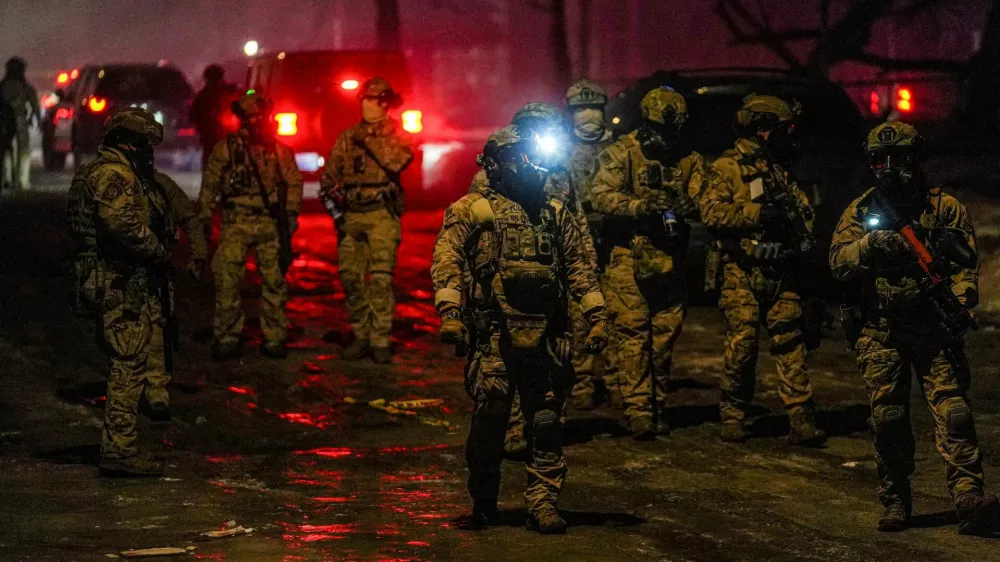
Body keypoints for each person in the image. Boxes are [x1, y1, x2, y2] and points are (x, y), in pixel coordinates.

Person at [431, 125, 608, 533]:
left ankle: (543, 504)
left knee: (545, 421)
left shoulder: (554, 211)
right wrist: (450, 313)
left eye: (531, 157)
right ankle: (484, 502)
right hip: (494, 335)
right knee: (490, 420)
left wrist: (597, 315)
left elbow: (579, 268)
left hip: (546, 336)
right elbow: (447, 259)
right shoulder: (473, 210)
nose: (527, 166)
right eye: (517, 158)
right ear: (494, 164)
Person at [830, 120, 1000, 535]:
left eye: (900, 159)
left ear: (917, 160)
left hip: (932, 329)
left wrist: (959, 300)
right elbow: (837, 262)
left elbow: (964, 268)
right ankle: (895, 501)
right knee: (888, 419)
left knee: (955, 415)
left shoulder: (944, 209)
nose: (891, 169)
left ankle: (968, 500)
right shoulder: (861, 211)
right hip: (881, 332)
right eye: (881, 161)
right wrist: (869, 246)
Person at [66, 108, 201, 476]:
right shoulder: (114, 174)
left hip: (114, 281)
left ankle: (120, 447)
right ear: (128, 142)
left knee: (127, 364)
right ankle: (120, 451)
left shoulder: (101, 171)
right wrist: (159, 254)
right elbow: (123, 227)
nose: (148, 153)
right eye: (143, 144)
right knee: (128, 367)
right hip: (119, 283)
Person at [699, 94, 825, 446]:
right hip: (741, 268)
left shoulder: (778, 170)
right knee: (744, 345)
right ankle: (733, 413)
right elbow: (711, 213)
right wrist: (757, 215)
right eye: (784, 129)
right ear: (763, 130)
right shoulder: (727, 167)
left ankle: (801, 417)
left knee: (790, 340)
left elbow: (803, 213)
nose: (789, 136)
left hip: (780, 268)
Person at [589, 87, 705, 439]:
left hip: (670, 259)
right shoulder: (621, 153)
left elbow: (707, 197)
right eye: (658, 130)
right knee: (633, 334)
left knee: (664, 337)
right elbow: (598, 195)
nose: (665, 139)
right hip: (628, 256)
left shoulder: (689, 159)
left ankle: (656, 402)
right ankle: (639, 409)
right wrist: (639, 207)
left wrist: (691, 205)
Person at [198, 93, 303, 360]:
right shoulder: (227, 149)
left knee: (274, 282)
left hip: (269, 222)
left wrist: (290, 215)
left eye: (260, 115)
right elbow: (210, 184)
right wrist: (204, 216)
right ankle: (227, 335)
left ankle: (275, 336)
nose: (256, 121)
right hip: (236, 221)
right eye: (251, 116)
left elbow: (293, 183)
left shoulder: (279, 151)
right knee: (227, 280)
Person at [320, 77, 414, 364]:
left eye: (372, 100)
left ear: (385, 104)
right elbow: (328, 176)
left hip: (381, 216)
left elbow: (398, 162)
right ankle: (361, 334)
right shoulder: (348, 136)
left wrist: (371, 141)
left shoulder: (398, 135)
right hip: (352, 216)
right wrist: (334, 206)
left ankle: (380, 339)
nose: (365, 104)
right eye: (363, 99)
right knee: (350, 278)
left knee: (381, 280)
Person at [565, 79, 621, 410]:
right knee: (579, 318)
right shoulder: (560, 153)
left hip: (615, 243)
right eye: (579, 110)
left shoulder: (620, 149)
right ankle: (583, 382)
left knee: (614, 314)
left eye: (593, 109)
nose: (587, 115)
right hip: (578, 246)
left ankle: (615, 381)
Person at [0, 57, 40, 190]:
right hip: (20, 120)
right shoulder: (25, 86)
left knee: (6, 150)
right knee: (23, 151)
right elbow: (34, 105)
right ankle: (22, 180)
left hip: (5, 122)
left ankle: (7, 178)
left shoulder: (3, 86)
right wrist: (37, 120)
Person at [189, 64, 240, 168]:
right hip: (213, 137)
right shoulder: (203, 97)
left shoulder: (227, 92)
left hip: (222, 136)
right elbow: (194, 116)